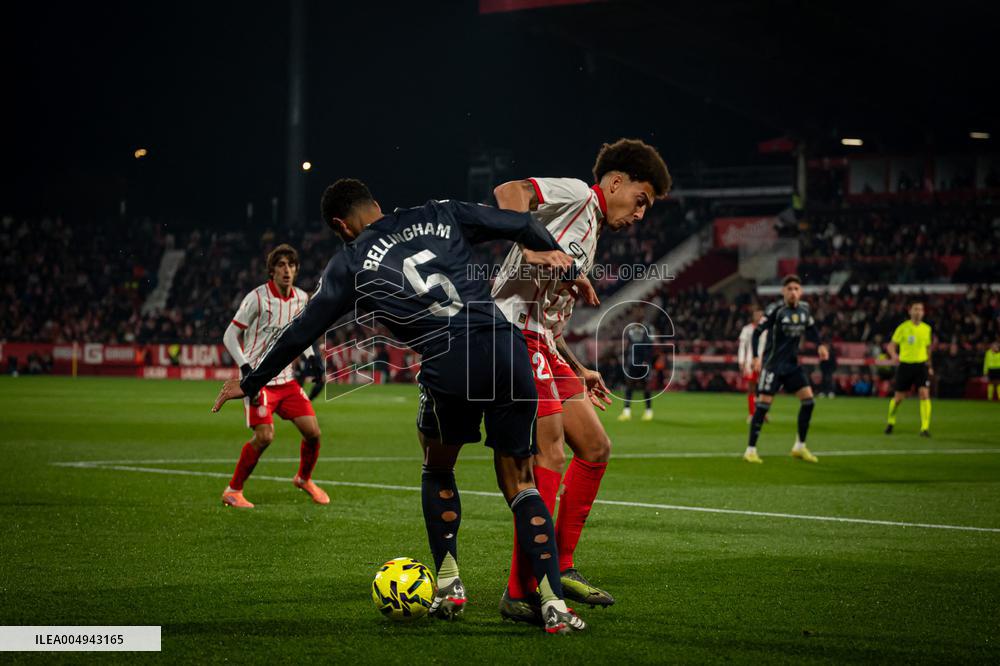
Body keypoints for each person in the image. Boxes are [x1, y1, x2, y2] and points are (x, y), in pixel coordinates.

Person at [212, 178, 597, 634]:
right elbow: (517, 221)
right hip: (504, 348)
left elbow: (301, 331)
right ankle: (554, 605)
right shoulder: (439, 210)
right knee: (522, 481)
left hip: (448, 360)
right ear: (376, 204)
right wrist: (563, 261)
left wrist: (252, 380)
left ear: (341, 225)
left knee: (437, 466)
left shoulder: (349, 263)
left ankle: (451, 584)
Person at [491, 138, 671, 620]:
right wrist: (530, 245)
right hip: (509, 332)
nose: (640, 215)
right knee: (548, 451)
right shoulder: (575, 194)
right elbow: (509, 190)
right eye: (641, 201)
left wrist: (577, 366)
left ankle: (562, 566)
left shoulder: (589, 233)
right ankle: (522, 589)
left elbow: (548, 318)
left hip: (542, 342)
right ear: (616, 183)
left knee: (595, 446)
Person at [219, 244, 328, 508]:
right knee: (265, 436)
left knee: (313, 433)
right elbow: (229, 335)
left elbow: (304, 335)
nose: (287, 270)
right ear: (272, 271)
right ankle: (233, 490)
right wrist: (246, 369)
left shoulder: (302, 298)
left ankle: (303, 479)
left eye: (291, 265)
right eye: (281, 265)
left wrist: (314, 360)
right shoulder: (257, 297)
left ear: (297, 269)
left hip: (287, 381)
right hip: (259, 382)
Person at [744, 274, 829, 464]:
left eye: (796, 289)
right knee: (763, 407)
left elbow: (812, 329)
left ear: (801, 292)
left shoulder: (805, 310)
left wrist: (820, 345)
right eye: (789, 289)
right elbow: (757, 333)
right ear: (783, 291)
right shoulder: (775, 310)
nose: (793, 292)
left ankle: (799, 446)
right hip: (773, 366)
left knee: (809, 402)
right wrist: (757, 357)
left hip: (792, 366)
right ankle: (750, 450)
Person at [885, 301, 934, 436]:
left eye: (920, 309)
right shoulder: (903, 328)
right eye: (915, 309)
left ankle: (925, 428)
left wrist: (930, 366)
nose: (918, 312)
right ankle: (891, 421)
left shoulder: (926, 329)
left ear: (923, 313)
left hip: (921, 365)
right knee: (898, 398)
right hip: (905, 365)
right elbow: (890, 346)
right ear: (910, 311)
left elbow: (928, 348)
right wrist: (895, 356)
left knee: (924, 394)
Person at [619, 322, 655, 421]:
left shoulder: (648, 330)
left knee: (645, 386)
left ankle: (648, 411)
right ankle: (626, 411)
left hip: (643, 364)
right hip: (632, 364)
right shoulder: (631, 330)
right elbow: (628, 347)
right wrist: (626, 360)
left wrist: (647, 361)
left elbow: (650, 347)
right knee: (629, 386)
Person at [737, 308, 765, 422]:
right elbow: (742, 346)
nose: (759, 317)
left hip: (764, 362)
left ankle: (763, 413)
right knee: (752, 387)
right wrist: (741, 361)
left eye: (760, 315)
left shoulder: (766, 330)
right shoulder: (747, 329)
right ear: (753, 316)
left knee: (764, 389)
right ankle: (752, 413)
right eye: (756, 315)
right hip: (751, 362)